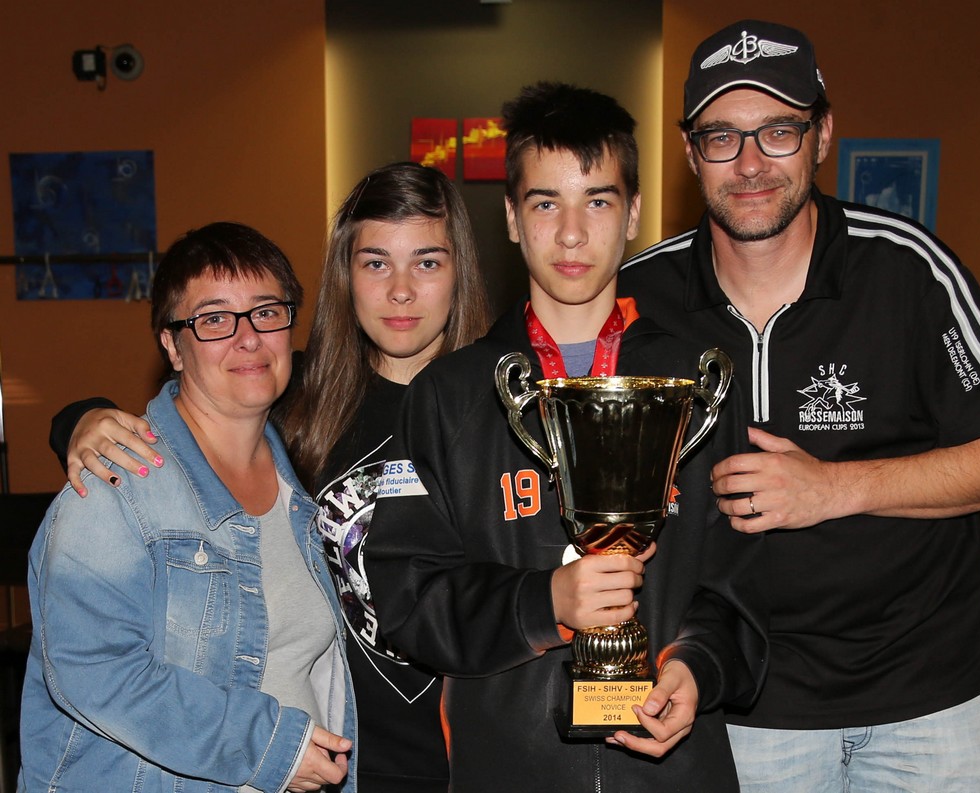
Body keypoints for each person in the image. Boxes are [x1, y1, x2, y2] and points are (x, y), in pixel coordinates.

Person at [618, 19, 980, 792]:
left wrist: (832, 487)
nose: (750, 163)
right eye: (722, 137)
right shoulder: (637, 297)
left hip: (926, 701)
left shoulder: (907, 269)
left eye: (778, 131)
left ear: (822, 135)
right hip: (742, 706)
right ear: (689, 152)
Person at [363, 82, 767, 792]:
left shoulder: (697, 385)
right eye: (546, 204)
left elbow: (747, 582)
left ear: (634, 213)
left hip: (674, 772)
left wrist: (697, 667)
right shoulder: (448, 396)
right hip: (507, 771)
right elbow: (409, 600)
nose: (572, 234)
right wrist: (543, 602)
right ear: (512, 218)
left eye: (598, 202)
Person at [46, 163, 492, 792]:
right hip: (345, 760)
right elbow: (190, 423)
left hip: (478, 756)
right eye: (375, 263)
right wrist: (82, 421)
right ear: (344, 275)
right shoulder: (302, 398)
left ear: (460, 269)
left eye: (426, 262)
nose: (400, 291)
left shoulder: (509, 403)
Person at [20, 222, 355, 792]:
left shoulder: (306, 477)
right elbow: (95, 670)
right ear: (173, 346)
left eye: (266, 311)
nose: (248, 338)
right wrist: (269, 746)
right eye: (214, 319)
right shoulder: (118, 487)